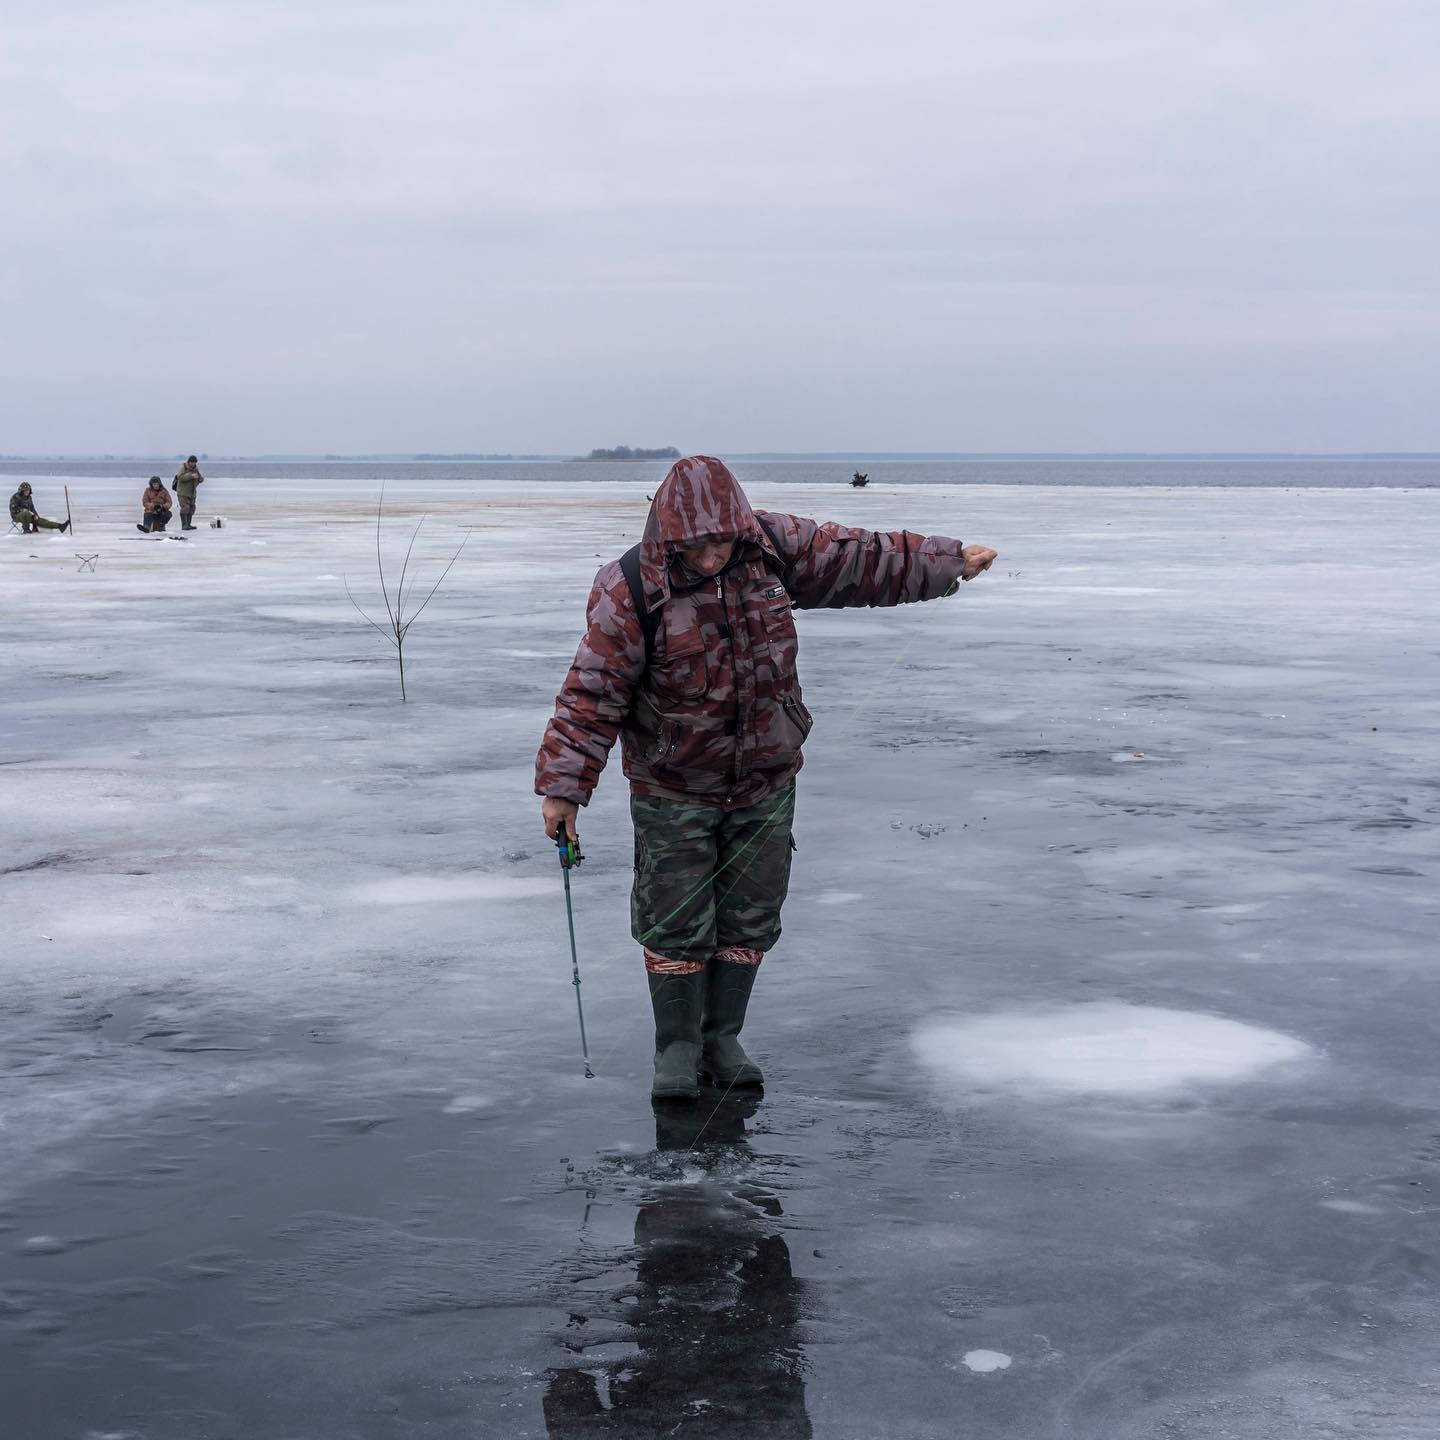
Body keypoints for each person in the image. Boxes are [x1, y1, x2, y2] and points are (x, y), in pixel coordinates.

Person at [535, 455, 997, 1101]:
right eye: (694, 547)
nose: (708, 558)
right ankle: (677, 1047)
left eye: (721, 541)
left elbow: (863, 559)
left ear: (740, 527)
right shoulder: (630, 586)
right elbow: (592, 693)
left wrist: (949, 563)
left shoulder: (774, 548)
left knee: (749, 916)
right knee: (676, 921)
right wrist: (564, 786)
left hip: (766, 778)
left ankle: (722, 1038)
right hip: (674, 787)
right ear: (668, 534)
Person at [173, 455, 204, 530]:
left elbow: (201, 479)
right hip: (183, 492)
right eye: (192, 462)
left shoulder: (196, 469)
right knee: (185, 508)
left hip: (192, 493)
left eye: (194, 462)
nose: (193, 464)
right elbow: (180, 477)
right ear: (189, 462)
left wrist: (199, 478)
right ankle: (184, 525)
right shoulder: (183, 467)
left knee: (191, 508)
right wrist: (191, 476)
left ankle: (188, 524)